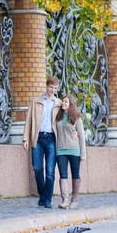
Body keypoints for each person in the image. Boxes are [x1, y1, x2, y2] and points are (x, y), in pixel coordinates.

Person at [22, 77, 62, 208]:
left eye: (55, 88)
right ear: (46, 86)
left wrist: (73, 133)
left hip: (52, 139)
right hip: (37, 138)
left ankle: (47, 199)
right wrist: (26, 139)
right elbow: (28, 121)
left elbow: (65, 121)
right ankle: (42, 194)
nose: (52, 90)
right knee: (37, 168)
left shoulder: (59, 103)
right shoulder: (36, 101)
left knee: (50, 171)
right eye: (51, 87)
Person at [55, 95, 86, 209]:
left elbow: (82, 136)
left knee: (75, 174)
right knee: (63, 175)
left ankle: (74, 200)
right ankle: (65, 200)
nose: (63, 103)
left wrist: (83, 153)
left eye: (66, 102)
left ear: (71, 104)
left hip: (74, 150)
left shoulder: (77, 118)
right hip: (60, 150)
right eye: (63, 101)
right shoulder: (58, 117)